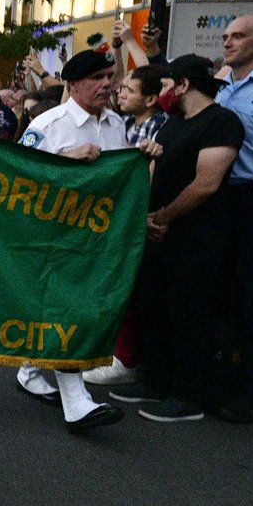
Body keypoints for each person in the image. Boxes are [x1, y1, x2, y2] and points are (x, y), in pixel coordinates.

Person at [14, 48, 159, 432]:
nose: (106, 85)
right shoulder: (49, 123)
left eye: (109, 77)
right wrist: (65, 159)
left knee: (76, 307)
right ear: (74, 84)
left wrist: (140, 157)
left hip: (98, 238)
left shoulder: (115, 124)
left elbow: (119, 179)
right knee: (67, 308)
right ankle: (76, 402)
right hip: (55, 238)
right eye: (96, 78)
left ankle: (30, 370)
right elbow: (16, 176)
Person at [134, 55, 244, 423]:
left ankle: (189, 396)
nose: (161, 93)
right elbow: (153, 170)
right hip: (161, 236)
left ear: (183, 85)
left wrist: (163, 217)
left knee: (190, 316)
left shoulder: (221, 123)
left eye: (165, 85)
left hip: (199, 240)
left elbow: (206, 184)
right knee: (157, 309)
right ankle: (157, 382)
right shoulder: (173, 124)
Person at [83, 63, 171, 386]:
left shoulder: (160, 128)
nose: (119, 92)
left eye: (128, 90)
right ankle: (112, 352)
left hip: (136, 219)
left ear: (150, 99)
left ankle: (127, 360)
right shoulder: (123, 125)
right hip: (114, 217)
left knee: (129, 291)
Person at [214, 14, 253, 423]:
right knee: (225, 293)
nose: (228, 42)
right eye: (225, 36)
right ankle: (231, 377)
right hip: (223, 200)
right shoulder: (224, 90)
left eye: (238, 35)